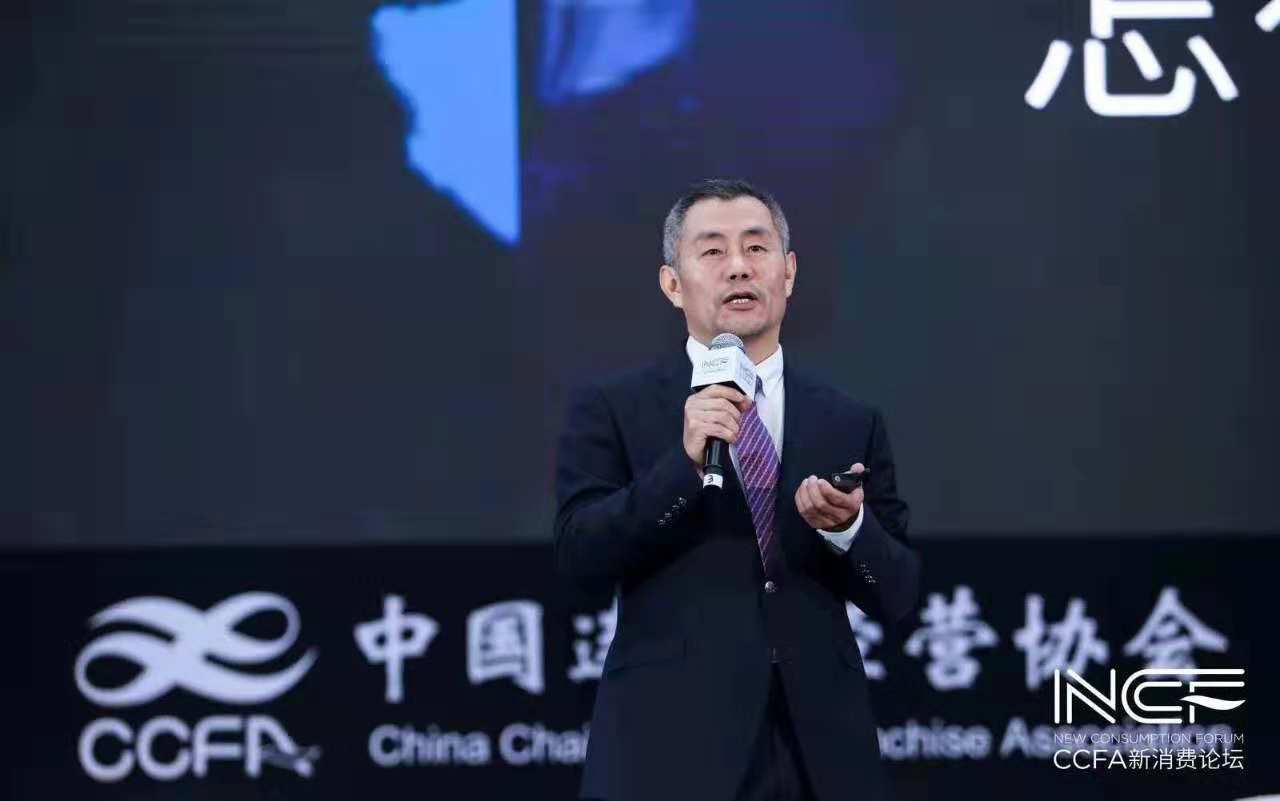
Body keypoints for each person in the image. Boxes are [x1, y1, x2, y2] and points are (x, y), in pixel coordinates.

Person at [553, 178, 921, 801]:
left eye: (756, 247)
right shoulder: (613, 408)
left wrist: (848, 530)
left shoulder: (847, 421)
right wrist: (683, 465)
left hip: (819, 756)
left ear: (789, 273)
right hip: (668, 751)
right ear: (673, 284)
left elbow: (901, 595)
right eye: (712, 251)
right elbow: (578, 560)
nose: (739, 267)